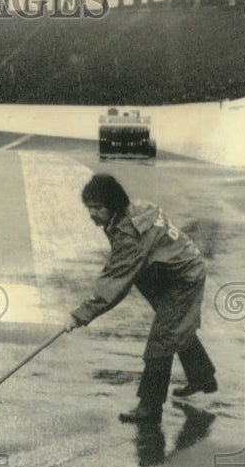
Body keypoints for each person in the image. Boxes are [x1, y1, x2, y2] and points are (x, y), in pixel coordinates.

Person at [64, 174, 217, 423]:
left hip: (182, 279)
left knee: (162, 338)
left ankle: (150, 407)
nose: (92, 213)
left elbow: (115, 280)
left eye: (98, 207)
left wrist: (79, 315)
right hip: (169, 271)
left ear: (112, 204)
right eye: (89, 207)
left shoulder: (130, 233)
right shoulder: (134, 211)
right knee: (175, 328)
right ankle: (202, 377)